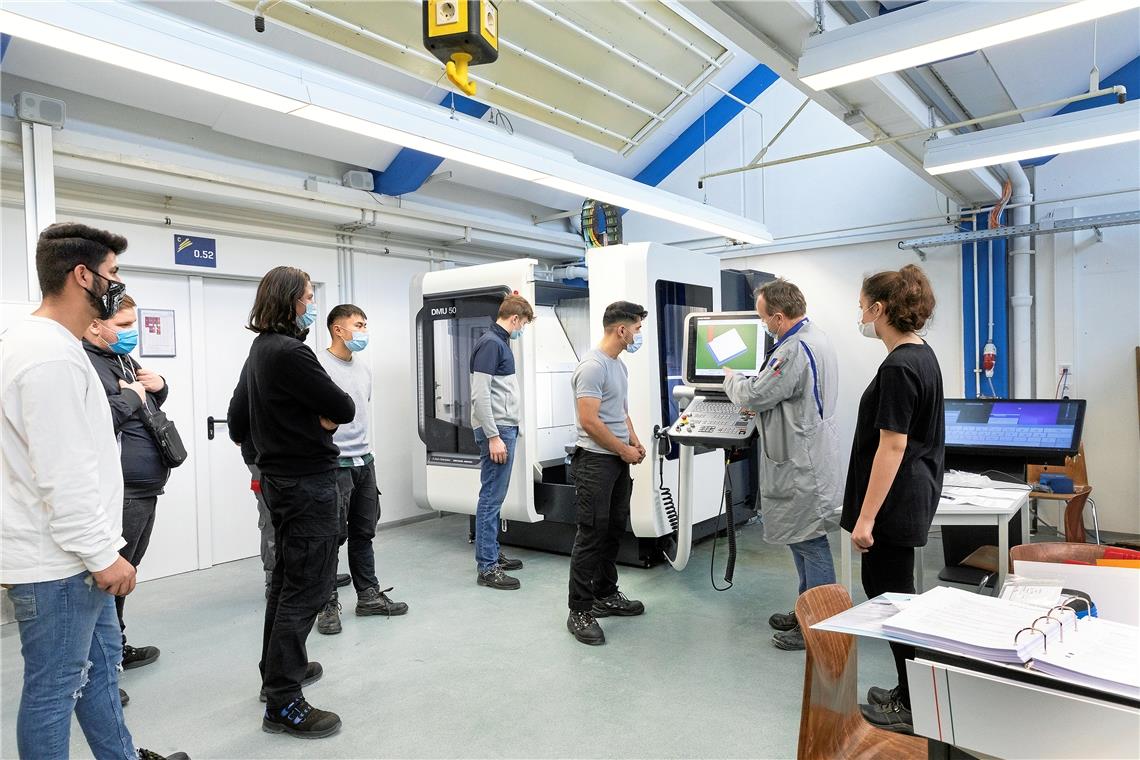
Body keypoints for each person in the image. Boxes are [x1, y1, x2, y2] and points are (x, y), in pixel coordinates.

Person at [1, 222, 187, 760]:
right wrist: (105, 556)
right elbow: (64, 473)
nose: (117, 283)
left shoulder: (46, 345)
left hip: (77, 559)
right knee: (54, 692)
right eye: (112, 273)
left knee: (101, 670)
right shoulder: (49, 356)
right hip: (61, 564)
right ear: (82, 276)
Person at [227, 266, 355, 739]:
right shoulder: (292, 352)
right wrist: (315, 423)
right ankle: (284, 701)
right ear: (291, 302)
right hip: (308, 483)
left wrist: (275, 438)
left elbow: (238, 420)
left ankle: (275, 673)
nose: (311, 305)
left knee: (285, 581)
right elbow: (343, 408)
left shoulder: (259, 350)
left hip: (279, 482)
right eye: (306, 297)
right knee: (308, 586)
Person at [841, 264, 945, 734]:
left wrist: (866, 520)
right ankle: (909, 690)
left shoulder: (900, 366)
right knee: (896, 599)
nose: (859, 313)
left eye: (862, 305)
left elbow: (893, 445)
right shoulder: (921, 354)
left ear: (879, 309)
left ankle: (913, 704)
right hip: (907, 496)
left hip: (894, 503)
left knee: (893, 605)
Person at [723, 279, 841, 651]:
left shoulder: (793, 349)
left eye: (763, 319)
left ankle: (819, 624)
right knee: (801, 539)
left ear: (778, 315)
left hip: (799, 463)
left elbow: (757, 394)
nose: (764, 326)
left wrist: (732, 380)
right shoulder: (816, 337)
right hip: (804, 454)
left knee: (810, 543)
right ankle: (806, 608)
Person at [82, 294, 168, 674]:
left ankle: (115, 647)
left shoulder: (119, 359)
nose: (131, 333)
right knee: (108, 580)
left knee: (127, 573)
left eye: (133, 324)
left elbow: (149, 408)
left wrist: (159, 386)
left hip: (144, 489)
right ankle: (101, 665)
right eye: (123, 326)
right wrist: (131, 397)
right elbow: (98, 425)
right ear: (94, 325)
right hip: (122, 492)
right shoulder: (85, 364)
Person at [315, 304, 408, 634]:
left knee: (363, 533)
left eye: (366, 324)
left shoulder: (364, 369)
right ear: (339, 330)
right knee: (330, 537)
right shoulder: (318, 366)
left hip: (365, 463)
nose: (364, 331)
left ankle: (367, 596)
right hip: (334, 465)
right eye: (359, 324)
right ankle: (326, 603)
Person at [565, 301, 648, 646]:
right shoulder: (592, 366)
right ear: (621, 329)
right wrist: (622, 449)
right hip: (595, 462)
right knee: (592, 533)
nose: (639, 334)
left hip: (615, 460)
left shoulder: (618, 366)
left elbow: (619, 413)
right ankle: (579, 610)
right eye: (638, 328)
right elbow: (589, 421)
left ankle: (605, 594)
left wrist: (636, 442)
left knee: (614, 529)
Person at [469, 294, 534, 590]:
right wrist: (494, 436)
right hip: (497, 431)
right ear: (515, 319)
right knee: (491, 497)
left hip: (504, 428)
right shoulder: (491, 344)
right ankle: (487, 567)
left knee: (495, 496)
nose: (523, 330)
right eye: (524, 324)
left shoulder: (498, 342)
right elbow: (480, 395)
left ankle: (491, 552)